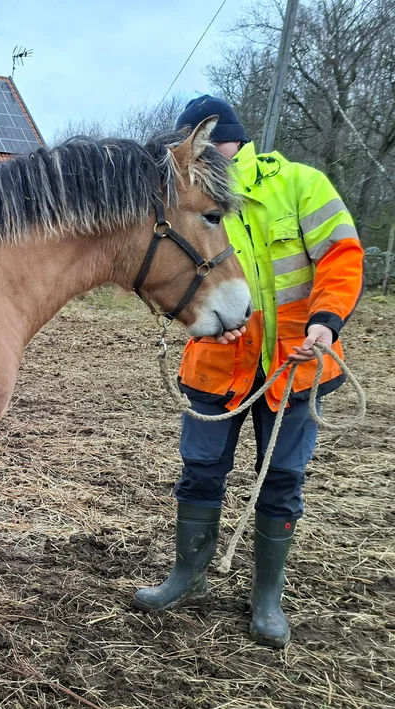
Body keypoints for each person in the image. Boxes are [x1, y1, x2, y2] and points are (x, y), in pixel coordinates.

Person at [133, 95, 364, 647]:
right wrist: (207, 321)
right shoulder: (188, 194)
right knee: (200, 471)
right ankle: (186, 575)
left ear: (226, 137)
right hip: (217, 363)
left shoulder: (299, 184)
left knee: (281, 479)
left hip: (294, 364)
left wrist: (326, 322)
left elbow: (342, 255)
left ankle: (266, 596)